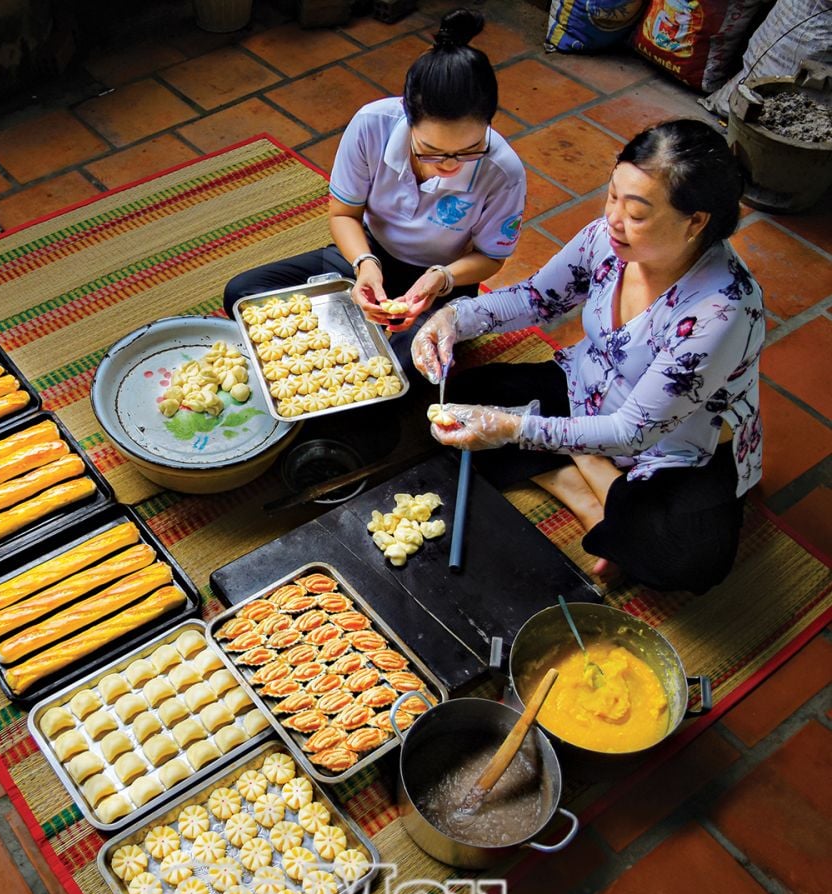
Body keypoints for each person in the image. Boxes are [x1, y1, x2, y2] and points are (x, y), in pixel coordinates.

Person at [412, 119, 765, 594]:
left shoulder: (721, 311)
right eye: (613, 196)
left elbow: (634, 431)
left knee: (688, 558)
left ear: (695, 222)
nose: (614, 218)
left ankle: (581, 465)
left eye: (637, 212)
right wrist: (455, 317)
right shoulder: (606, 239)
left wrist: (516, 429)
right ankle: (582, 483)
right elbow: (536, 298)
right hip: (588, 391)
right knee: (439, 402)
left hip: (673, 445)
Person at [223, 7, 526, 345]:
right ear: (407, 116)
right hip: (370, 253)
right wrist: (364, 263)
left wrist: (441, 277)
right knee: (242, 293)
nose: (450, 165)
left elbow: (491, 257)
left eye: (469, 150)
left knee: (409, 369)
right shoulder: (372, 125)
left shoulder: (503, 172)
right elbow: (343, 214)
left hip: (444, 283)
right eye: (431, 149)